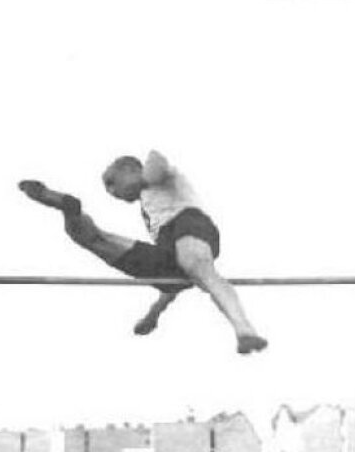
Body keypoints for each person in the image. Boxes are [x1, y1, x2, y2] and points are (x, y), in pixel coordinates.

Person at [19, 151, 268, 355]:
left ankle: (244, 329)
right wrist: (153, 316)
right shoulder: (149, 210)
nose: (115, 195)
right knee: (95, 239)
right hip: (167, 245)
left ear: (130, 170)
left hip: (188, 223)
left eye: (113, 185)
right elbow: (175, 282)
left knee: (200, 269)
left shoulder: (160, 176)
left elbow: (156, 160)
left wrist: (143, 178)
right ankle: (69, 210)